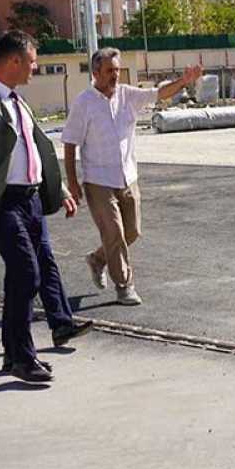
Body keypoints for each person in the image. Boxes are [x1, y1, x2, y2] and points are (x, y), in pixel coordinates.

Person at [0, 30, 80, 383]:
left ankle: (13, 356)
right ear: (14, 60)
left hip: (31, 199)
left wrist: (60, 189)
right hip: (2, 202)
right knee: (27, 272)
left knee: (26, 273)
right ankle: (24, 357)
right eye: (32, 62)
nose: (35, 68)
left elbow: (33, 149)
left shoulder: (18, 101)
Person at [62, 48, 202, 306]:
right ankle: (124, 286)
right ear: (96, 73)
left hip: (128, 177)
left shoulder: (127, 95)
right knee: (114, 232)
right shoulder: (84, 103)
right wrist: (72, 182)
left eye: (117, 70)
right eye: (109, 71)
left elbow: (159, 93)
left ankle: (98, 259)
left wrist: (183, 81)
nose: (115, 75)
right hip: (98, 180)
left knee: (132, 232)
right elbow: (70, 143)